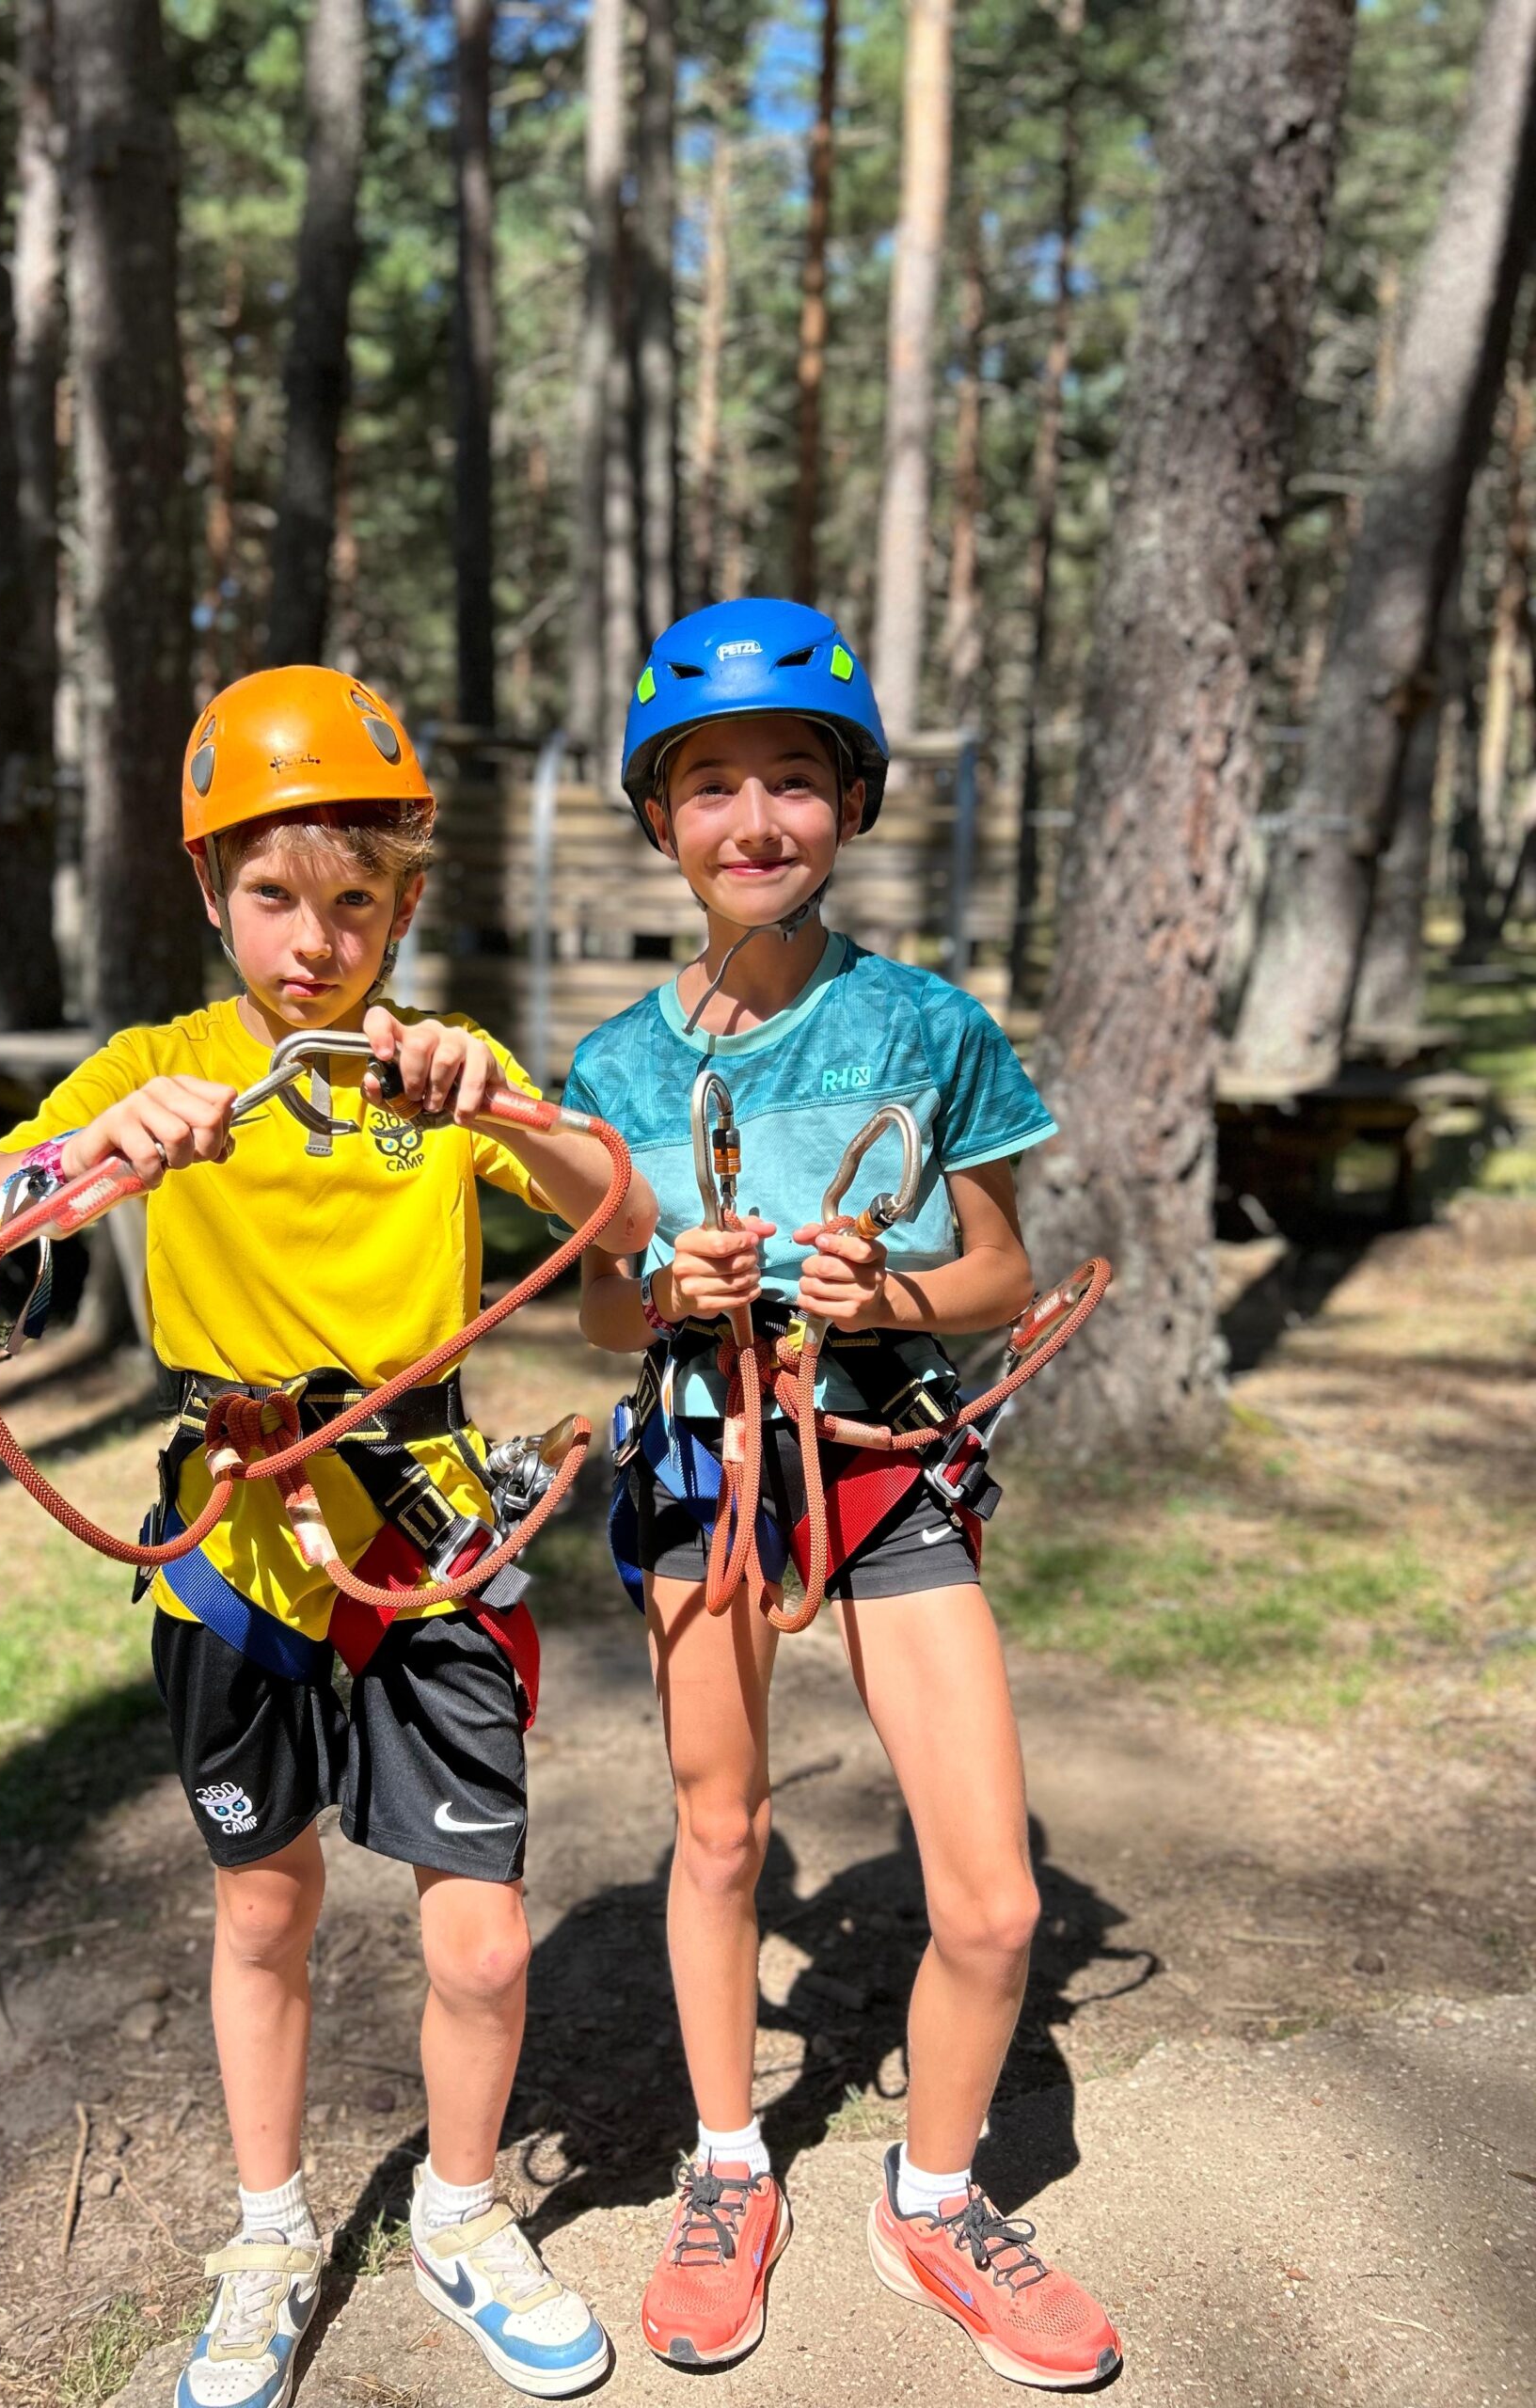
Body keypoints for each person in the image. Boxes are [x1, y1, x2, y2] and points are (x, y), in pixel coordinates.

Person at [0, 667, 657, 2408]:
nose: (314, 944)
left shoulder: (439, 1071)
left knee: (483, 1934)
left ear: (405, 903)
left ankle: (459, 2217)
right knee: (264, 1908)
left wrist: (501, 1111)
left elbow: (620, 1219)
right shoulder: (161, 1070)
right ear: (209, 890)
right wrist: (88, 1151)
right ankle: (267, 2236)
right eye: (271, 897)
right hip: (237, 1551)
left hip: (426, 1543)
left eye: (355, 904)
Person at [559, 600, 1122, 2387]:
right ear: (661, 818)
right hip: (705, 1462)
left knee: (997, 1902)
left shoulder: (928, 1025)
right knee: (722, 1833)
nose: (755, 820)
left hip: (884, 1460)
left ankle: (933, 2199)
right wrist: (672, 1289)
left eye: (793, 780)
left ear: (853, 804)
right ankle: (730, 2168)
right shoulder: (615, 1071)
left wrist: (892, 1298)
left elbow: (1003, 1275)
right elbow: (598, 1308)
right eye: (710, 784)